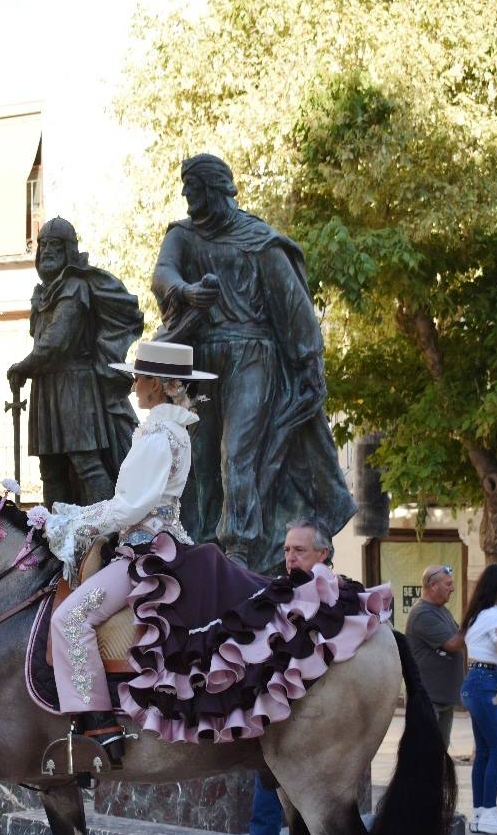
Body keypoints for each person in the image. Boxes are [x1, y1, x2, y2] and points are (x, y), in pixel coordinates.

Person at [151, 153, 355, 573]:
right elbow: (163, 274)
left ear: (213, 189)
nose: (187, 195)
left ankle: (239, 547)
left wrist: (308, 365)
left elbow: (295, 308)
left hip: (253, 355)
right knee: (198, 451)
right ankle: (199, 538)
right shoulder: (183, 236)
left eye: (193, 187)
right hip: (203, 358)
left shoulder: (259, 240)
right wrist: (187, 292)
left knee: (238, 450)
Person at [45, 340, 216, 763]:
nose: (134, 386)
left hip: (146, 552)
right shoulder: (168, 431)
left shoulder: (159, 435)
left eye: (138, 378)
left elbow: (131, 506)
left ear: (157, 384)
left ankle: (98, 722)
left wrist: (78, 522)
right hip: (154, 544)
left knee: (70, 617)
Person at [210, 520, 344, 835]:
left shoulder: (339, 598)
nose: (289, 557)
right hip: (274, 733)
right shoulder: (274, 594)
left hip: (321, 736)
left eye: (299, 550)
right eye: (287, 549)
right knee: (264, 818)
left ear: (323, 554)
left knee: (327, 819)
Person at [7, 217, 143, 507]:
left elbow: (58, 341)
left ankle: (105, 535)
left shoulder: (74, 287)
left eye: (55, 246)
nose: (47, 252)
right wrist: (30, 367)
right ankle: (56, 539)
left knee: (87, 465)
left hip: (75, 387)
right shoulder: (43, 292)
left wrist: (24, 366)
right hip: (47, 387)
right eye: (43, 246)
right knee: (50, 471)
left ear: (69, 250)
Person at [460, 564, 497, 835]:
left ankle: (480, 813)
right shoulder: (494, 617)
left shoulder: (479, 616)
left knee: (486, 750)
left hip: (475, 682)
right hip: (485, 682)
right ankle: (489, 812)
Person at [405, 565, 464, 749]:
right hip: (428, 700)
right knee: (426, 753)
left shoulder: (441, 610)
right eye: (448, 584)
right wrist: (475, 620)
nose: (452, 589)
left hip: (442, 699)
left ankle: (437, 779)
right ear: (432, 585)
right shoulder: (423, 613)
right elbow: (453, 644)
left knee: (439, 752)